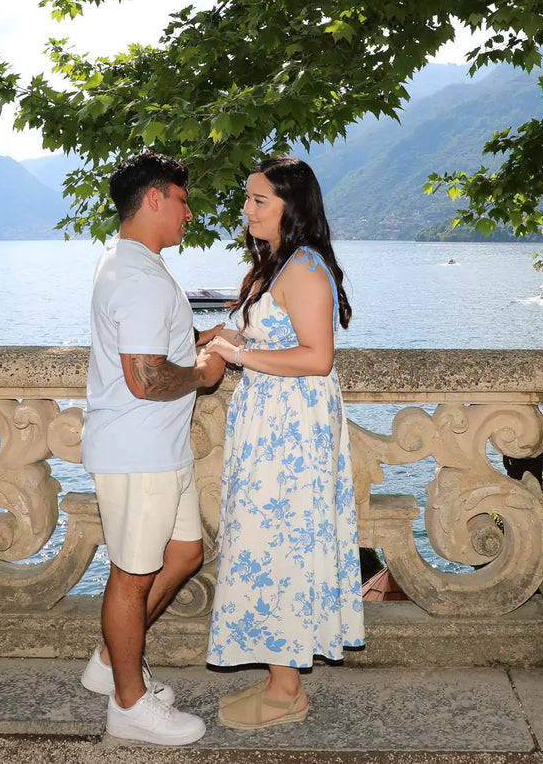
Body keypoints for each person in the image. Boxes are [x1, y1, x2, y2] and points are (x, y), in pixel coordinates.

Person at [203, 157, 365, 730]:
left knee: (284, 545)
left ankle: (286, 691)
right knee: (267, 543)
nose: (247, 210)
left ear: (291, 207)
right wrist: (216, 336)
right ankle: (281, 681)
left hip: (292, 432)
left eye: (259, 200)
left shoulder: (304, 269)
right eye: (247, 199)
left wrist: (237, 355)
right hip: (270, 424)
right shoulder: (275, 264)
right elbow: (261, 331)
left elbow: (318, 358)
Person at [80, 151, 226, 745]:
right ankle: (129, 704)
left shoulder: (131, 262)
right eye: (184, 201)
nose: (189, 213)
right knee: (133, 576)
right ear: (157, 199)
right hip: (139, 451)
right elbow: (145, 377)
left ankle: (110, 661)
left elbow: (156, 343)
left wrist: (203, 338)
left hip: (159, 448)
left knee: (186, 552)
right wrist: (204, 372)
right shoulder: (138, 275)